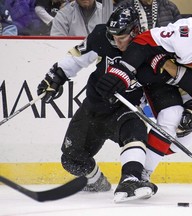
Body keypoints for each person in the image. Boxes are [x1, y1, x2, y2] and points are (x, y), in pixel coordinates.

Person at [94, 8, 192, 182]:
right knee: (171, 116)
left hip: (176, 79)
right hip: (153, 73)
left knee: (187, 133)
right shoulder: (187, 34)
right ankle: (140, 174)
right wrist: (123, 71)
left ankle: (142, 166)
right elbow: (144, 41)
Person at [37, 6, 158, 203]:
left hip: (124, 111)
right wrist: (55, 77)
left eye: (121, 38)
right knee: (70, 159)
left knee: (136, 133)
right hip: (93, 109)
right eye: (113, 37)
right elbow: (76, 59)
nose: (116, 43)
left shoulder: (148, 47)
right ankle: (97, 181)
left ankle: (131, 179)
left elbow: (157, 85)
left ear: (135, 31)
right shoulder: (102, 36)